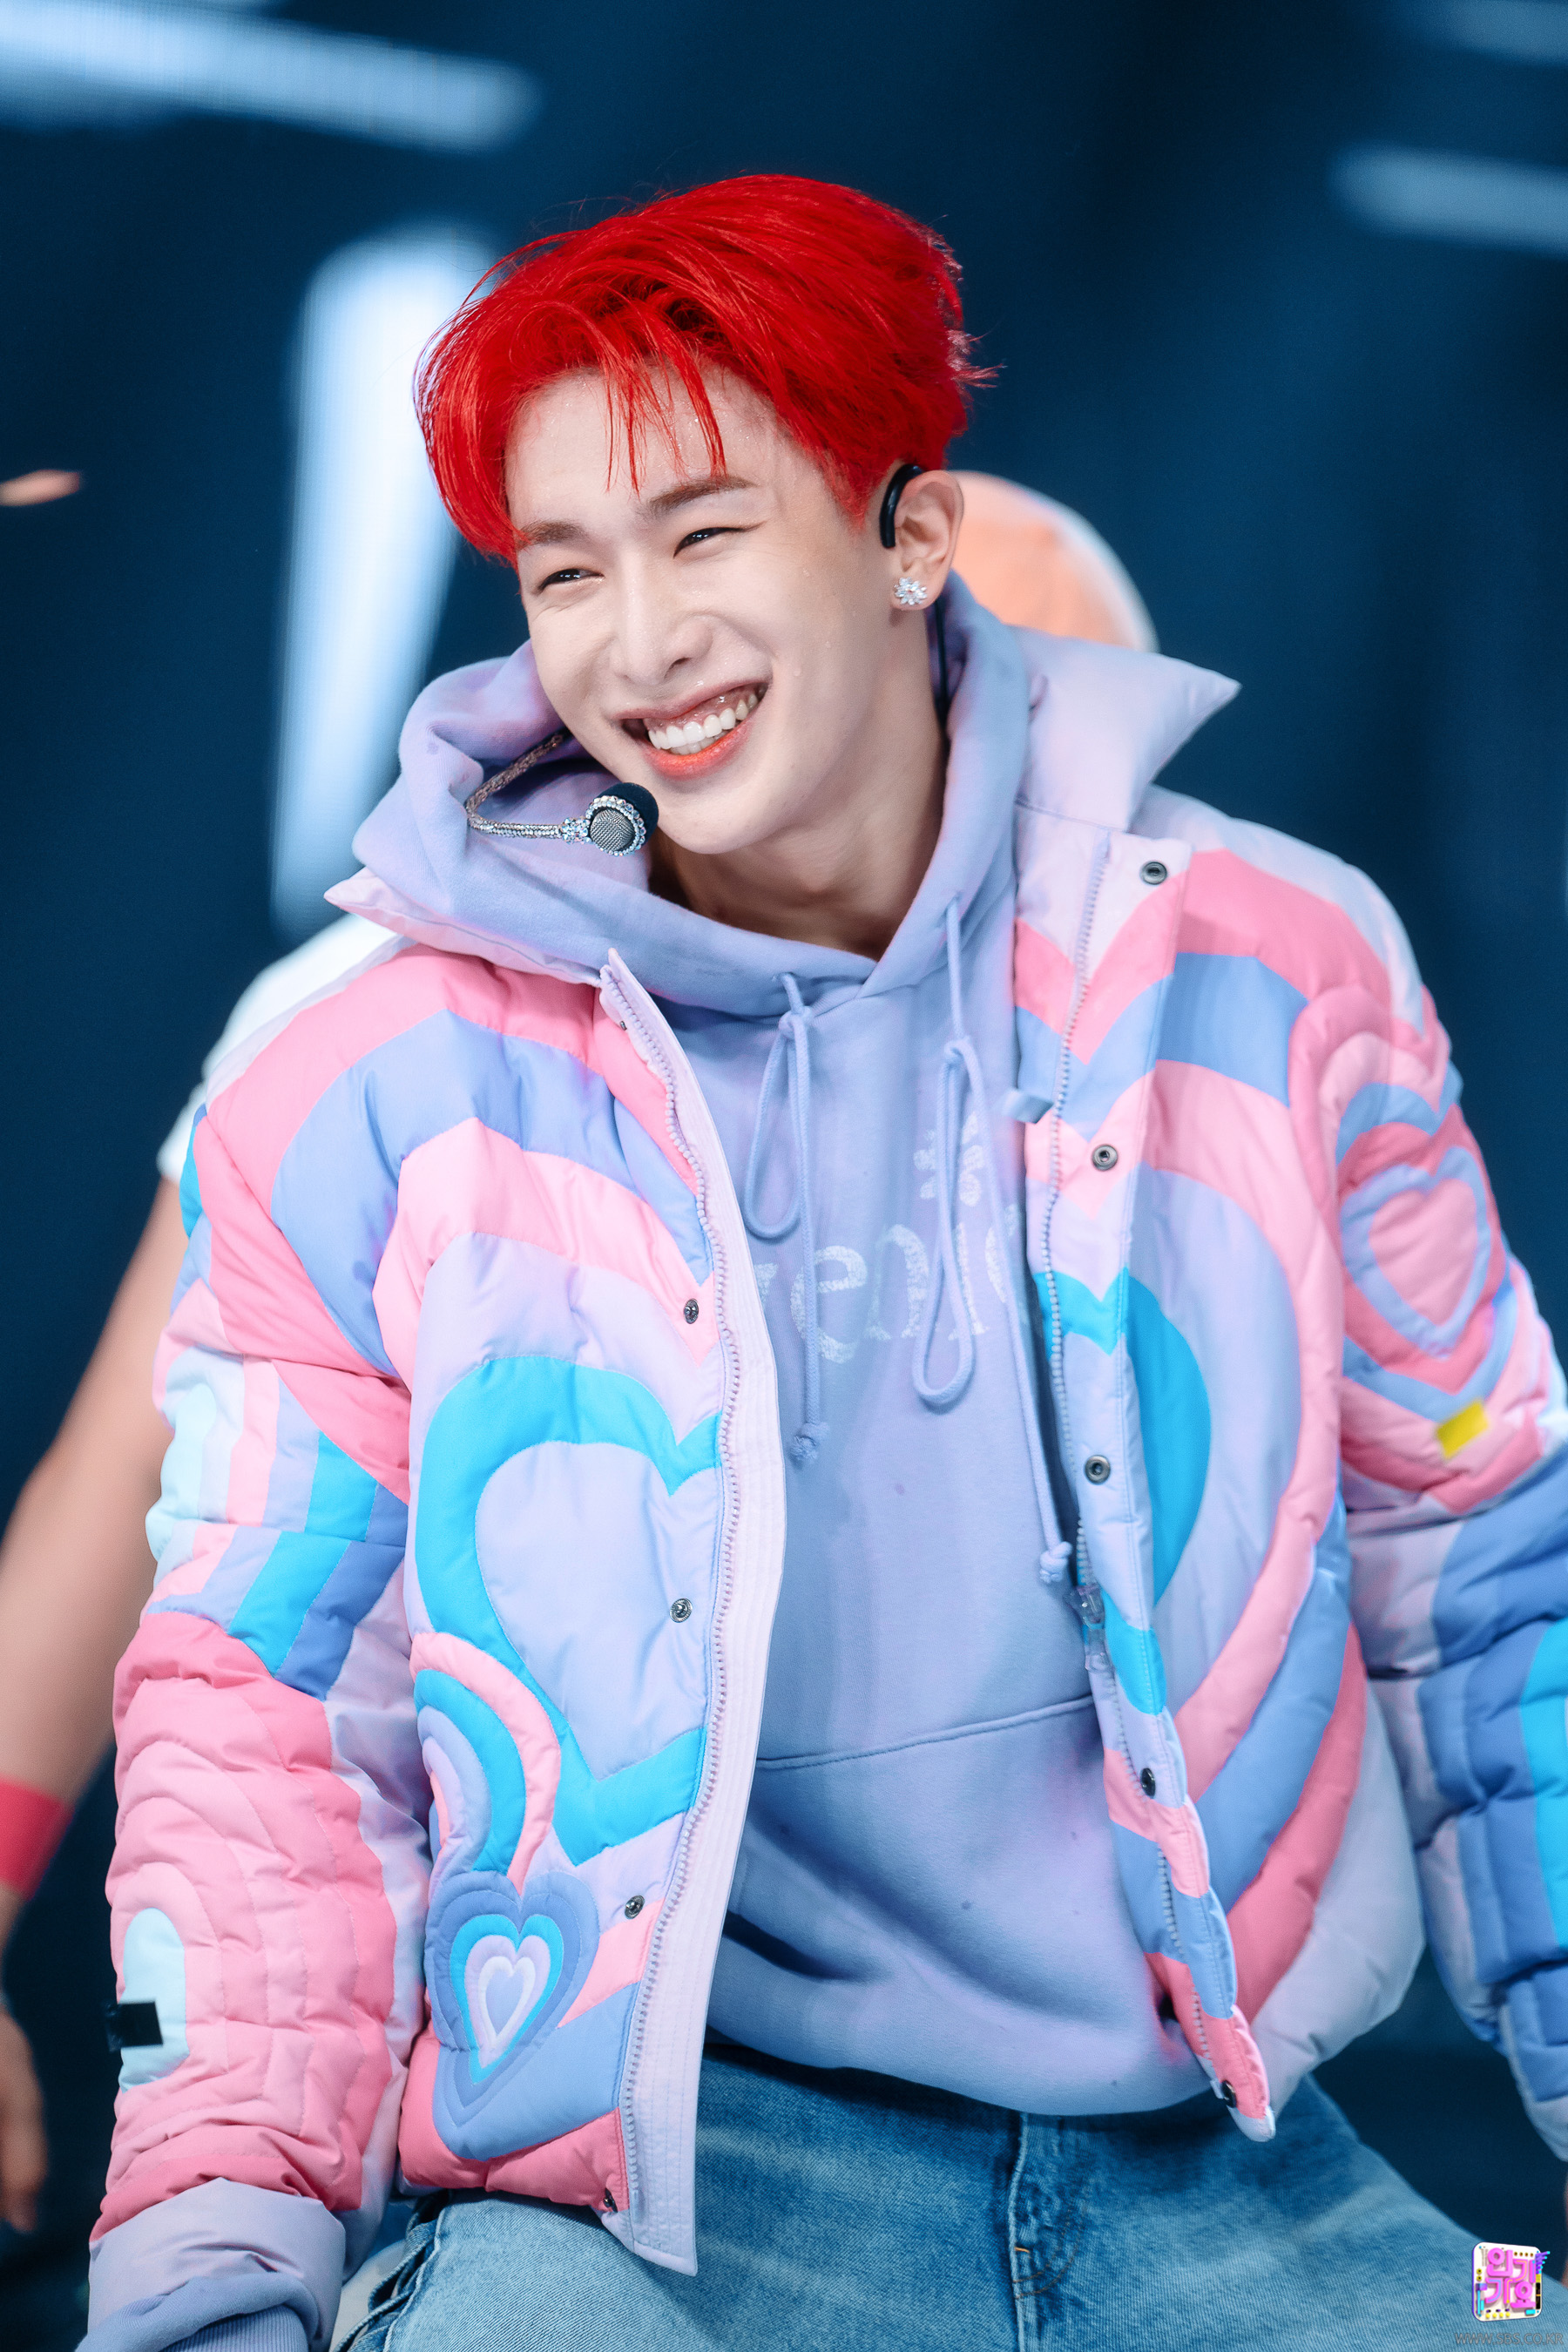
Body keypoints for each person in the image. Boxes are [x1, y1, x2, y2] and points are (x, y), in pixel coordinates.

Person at [75, 174, 1568, 2349]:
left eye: (704, 535)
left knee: (1523, 2312)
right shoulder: (372, 1071)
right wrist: (209, 2275)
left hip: (1247, 2179)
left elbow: (1495, 1562)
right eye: (566, 570)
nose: (635, 642)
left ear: (910, 536)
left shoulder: (1280, 963)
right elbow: (262, 1716)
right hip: (661, 2197)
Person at [0, 483, 1138, 2251]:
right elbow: (156, 1506)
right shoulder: (395, 1016)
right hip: (597, 2118)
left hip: (1159, 2120)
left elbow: (1462, 1562)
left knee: (1503, 2304)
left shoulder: (1193, 1040)